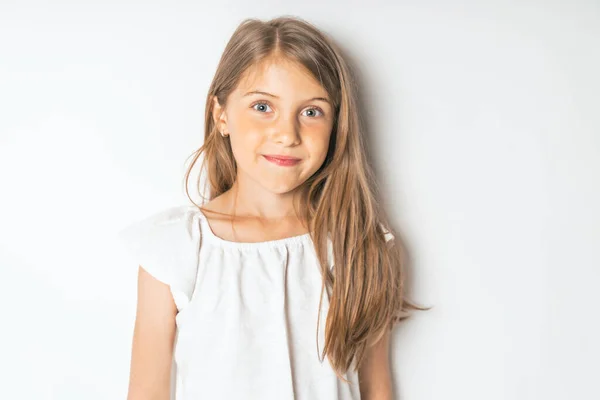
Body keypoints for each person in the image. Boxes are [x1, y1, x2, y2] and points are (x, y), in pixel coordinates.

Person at [118, 15, 429, 400]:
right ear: (222, 115)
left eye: (311, 111)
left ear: (336, 125)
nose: (287, 134)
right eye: (263, 106)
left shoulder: (358, 246)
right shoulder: (176, 247)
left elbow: (376, 390)